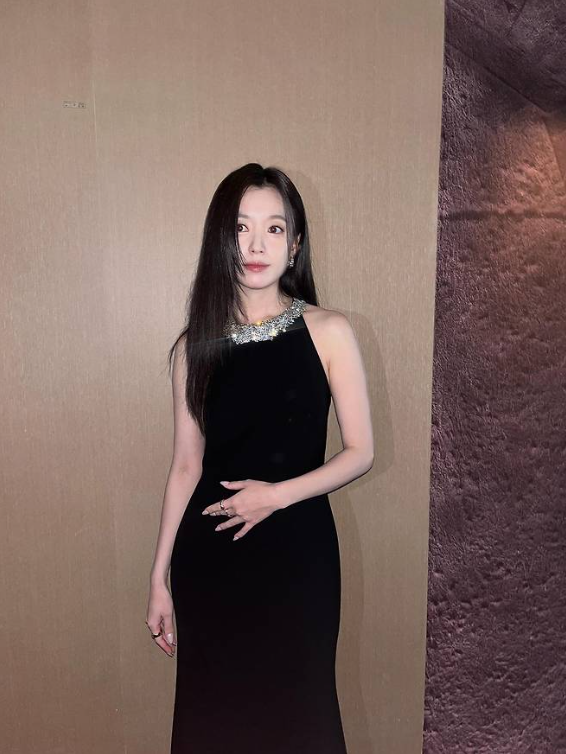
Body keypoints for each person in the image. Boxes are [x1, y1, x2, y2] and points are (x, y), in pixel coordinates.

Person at [146, 163, 374, 754]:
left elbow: (361, 453)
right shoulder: (193, 348)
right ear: (221, 239)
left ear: (294, 244)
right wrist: (159, 577)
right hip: (211, 559)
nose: (255, 245)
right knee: (214, 719)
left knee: (299, 714)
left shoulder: (329, 330)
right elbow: (186, 466)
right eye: (241, 228)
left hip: (298, 558)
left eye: (274, 229)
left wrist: (275, 496)